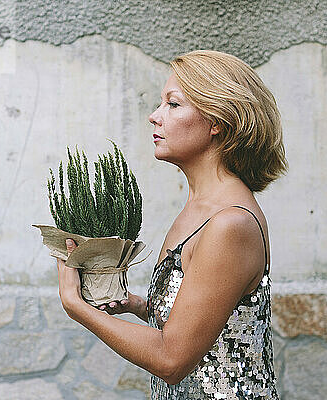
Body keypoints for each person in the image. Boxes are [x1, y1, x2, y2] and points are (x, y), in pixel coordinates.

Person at [57, 49, 288, 399]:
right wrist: (138, 305)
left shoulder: (230, 223)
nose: (154, 116)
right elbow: (203, 320)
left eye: (173, 104)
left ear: (217, 123)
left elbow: (172, 358)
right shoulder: (200, 208)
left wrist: (74, 305)